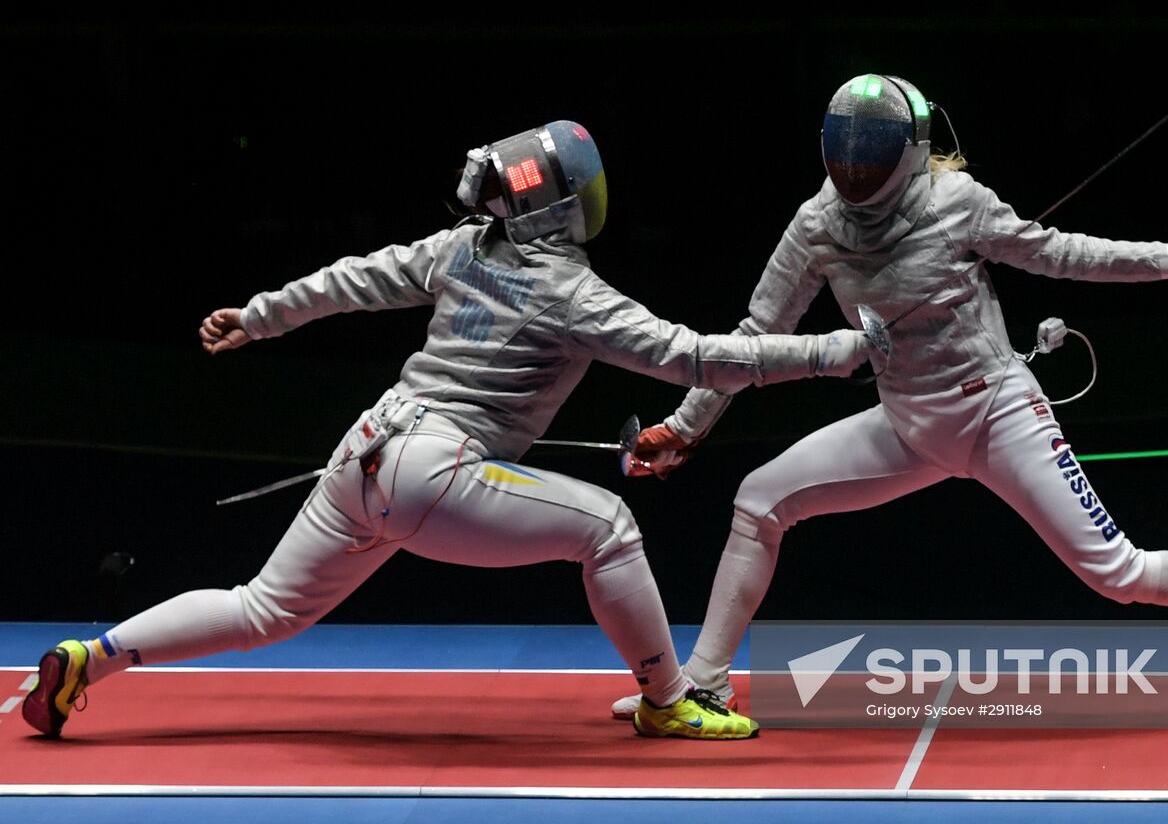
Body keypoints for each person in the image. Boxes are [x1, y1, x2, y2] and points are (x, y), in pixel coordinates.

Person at [22, 119, 886, 742]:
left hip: (366, 450)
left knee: (263, 606)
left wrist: (259, 315)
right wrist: (837, 349)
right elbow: (695, 357)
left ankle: (90, 659)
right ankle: (668, 700)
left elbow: (353, 279)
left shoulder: (463, 247)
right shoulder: (570, 292)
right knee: (611, 528)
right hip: (436, 472)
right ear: (567, 205)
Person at [611, 75, 1168, 721]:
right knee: (759, 501)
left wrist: (1160, 261)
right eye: (847, 152)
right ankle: (703, 681)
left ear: (911, 148)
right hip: (906, 425)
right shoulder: (817, 226)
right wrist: (685, 426)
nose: (856, 167)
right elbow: (756, 333)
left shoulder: (959, 203)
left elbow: (1057, 252)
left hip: (997, 414)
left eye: (872, 152)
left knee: (1117, 573)